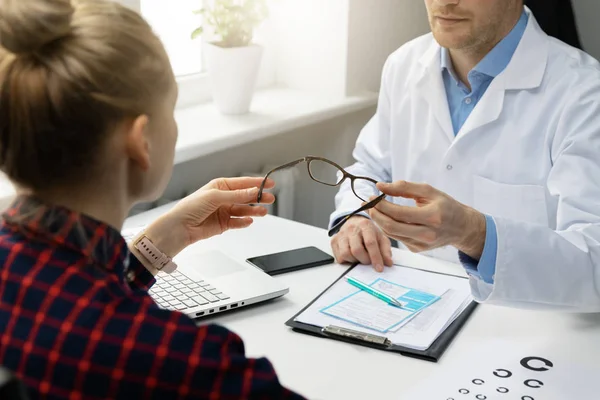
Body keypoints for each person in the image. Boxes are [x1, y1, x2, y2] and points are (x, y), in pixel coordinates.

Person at [0, 0, 305, 398]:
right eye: (172, 109)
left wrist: (159, 241)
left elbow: (70, 294)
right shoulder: (175, 362)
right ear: (140, 140)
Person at [330, 0, 600, 310]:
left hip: (528, 330)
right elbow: (370, 166)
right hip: (408, 306)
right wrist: (356, 218)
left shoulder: (586, 94)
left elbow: (594, 258)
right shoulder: (403, 64)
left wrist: (474, 235)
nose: (444, 2)